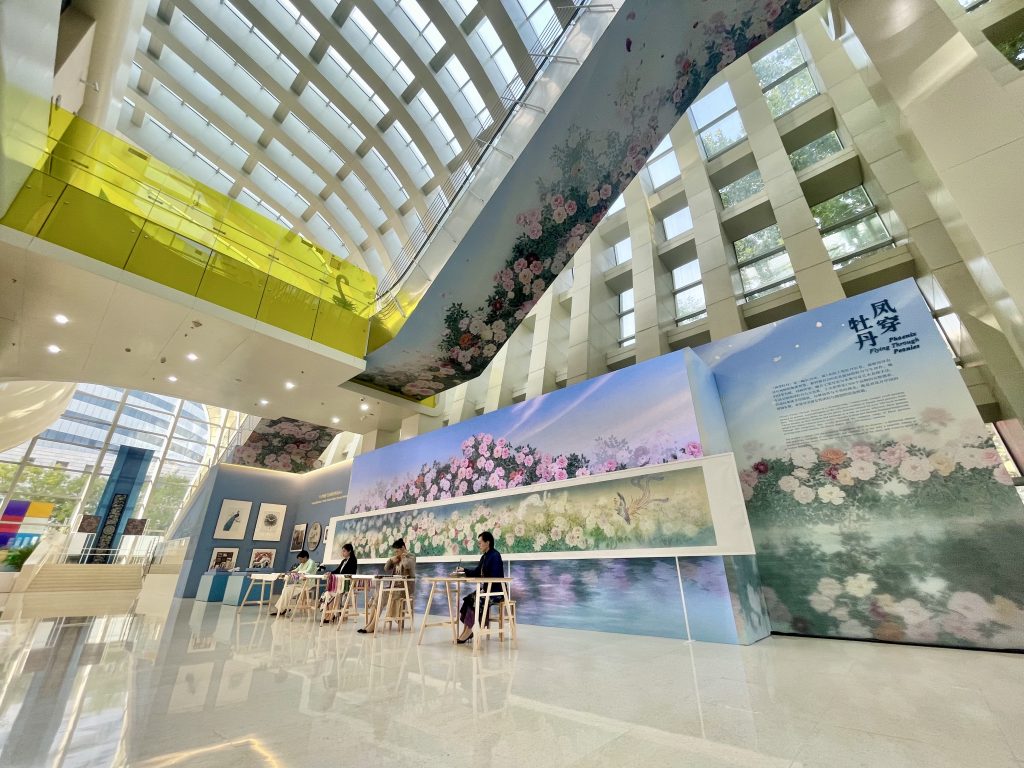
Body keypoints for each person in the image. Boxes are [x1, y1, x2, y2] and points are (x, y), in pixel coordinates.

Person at [455, 531, 504, 644]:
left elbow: (495, 577)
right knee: (468, 599)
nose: (479, 545)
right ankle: (466, 631)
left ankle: (469, 631)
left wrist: (484, 587)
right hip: (486, 591)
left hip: (496, 593)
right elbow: (477, 572)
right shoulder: (484, 556)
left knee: (476, 600)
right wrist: (464, 570)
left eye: (480, 543)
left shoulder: (495, 556)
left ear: (488, 542)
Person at [357, 538, 416, 634]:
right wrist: (391, 560)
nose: (396, 553)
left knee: (382, 595)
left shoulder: (411, 557)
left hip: (405, 589)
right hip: (394, 588)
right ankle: (369, 624)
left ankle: (372, 625)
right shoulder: (397, 559)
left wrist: (403, 556)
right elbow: (386, 568)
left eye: (397, 551)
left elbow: (406, 566)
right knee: (378, 594)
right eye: (395, 552)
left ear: (403, 548)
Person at [270, 550, 318, 617]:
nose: (300, 561)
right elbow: (296, 570)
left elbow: (307, 571)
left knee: (288, 590)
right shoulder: (302, 564)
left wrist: (297, 572)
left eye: (301, 559)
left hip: (308, 584)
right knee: (286, 589)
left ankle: (280, 609)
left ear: (305, 557)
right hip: (301, 584)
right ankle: (281, 609)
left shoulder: (311, 562)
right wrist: (290, 572)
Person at [320, 543, 358, 624]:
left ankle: (332, 615)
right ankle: (328, 615)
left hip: (346, 583)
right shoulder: (343, 561)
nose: (342, 553)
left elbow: (351, 573)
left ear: (349, 551)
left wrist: (337, 576)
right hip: (340, 583)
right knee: (327, 593)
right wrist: (330, 573)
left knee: (334, 593)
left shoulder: (353, 560)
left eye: (344, 551)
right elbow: (337, 571)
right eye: (342, 551)